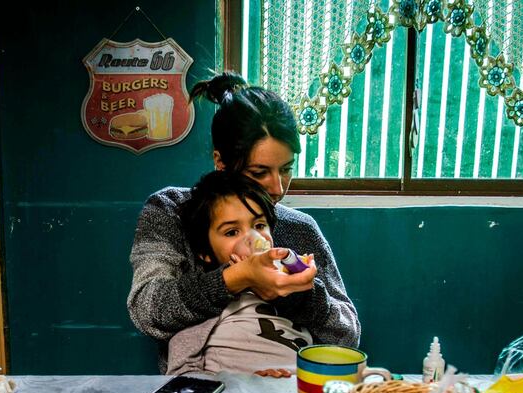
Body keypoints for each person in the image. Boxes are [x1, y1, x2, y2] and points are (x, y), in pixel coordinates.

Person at [128, 72, 360, 373]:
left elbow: (346, 336)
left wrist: (297, 296)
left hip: (287, 388)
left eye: (286, 168)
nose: (277, 188)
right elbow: (148, 311)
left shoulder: (301, 229)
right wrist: (237, 277)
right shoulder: (173, 210)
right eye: (258, 172)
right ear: (220, 162)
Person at [168, 170, 312, 376]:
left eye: (260, 225)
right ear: (204, 252)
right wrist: (243, 386)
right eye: (232, 232)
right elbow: (182, 374)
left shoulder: (291, 294)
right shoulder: (203, 305)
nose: (255, 239)